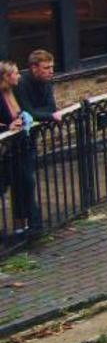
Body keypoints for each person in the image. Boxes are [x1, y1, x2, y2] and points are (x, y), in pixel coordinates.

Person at [0, 61, 40, 239]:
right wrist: (7, 127)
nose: (19, 76)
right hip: (5, 150)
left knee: (24, 183)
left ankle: (23, 225)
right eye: (15, 73)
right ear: (5, 78)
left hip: (19, 147)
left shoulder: (16, 91)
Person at [20, 49, 59, 123]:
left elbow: (52, 107)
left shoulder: (46, 80)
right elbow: (27, 114)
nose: (51, 71)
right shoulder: (22, 83)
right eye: (46, 68)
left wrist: (35, 113)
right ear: (34, 68)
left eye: (52, 67)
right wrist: (50, 116)